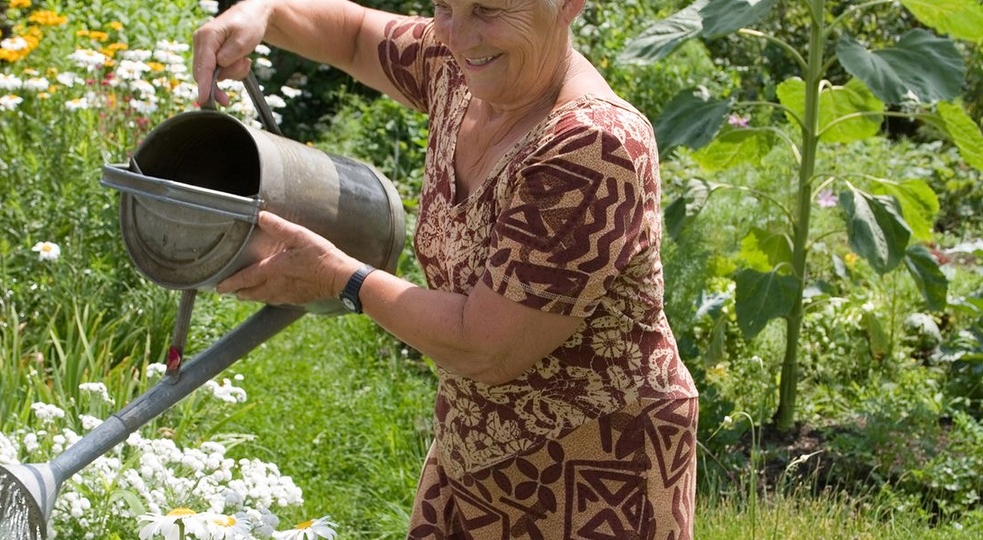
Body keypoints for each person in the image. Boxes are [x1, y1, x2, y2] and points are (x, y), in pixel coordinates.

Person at [192, 0, 698, 537]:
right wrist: (263, 13)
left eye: (488, 9)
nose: (459, 35)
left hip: (597, 472)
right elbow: (360, 37)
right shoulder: (458, 66)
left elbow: (485, 346)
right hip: (475, 450)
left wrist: (341, 278)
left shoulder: (593, 146)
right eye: (444, 6)